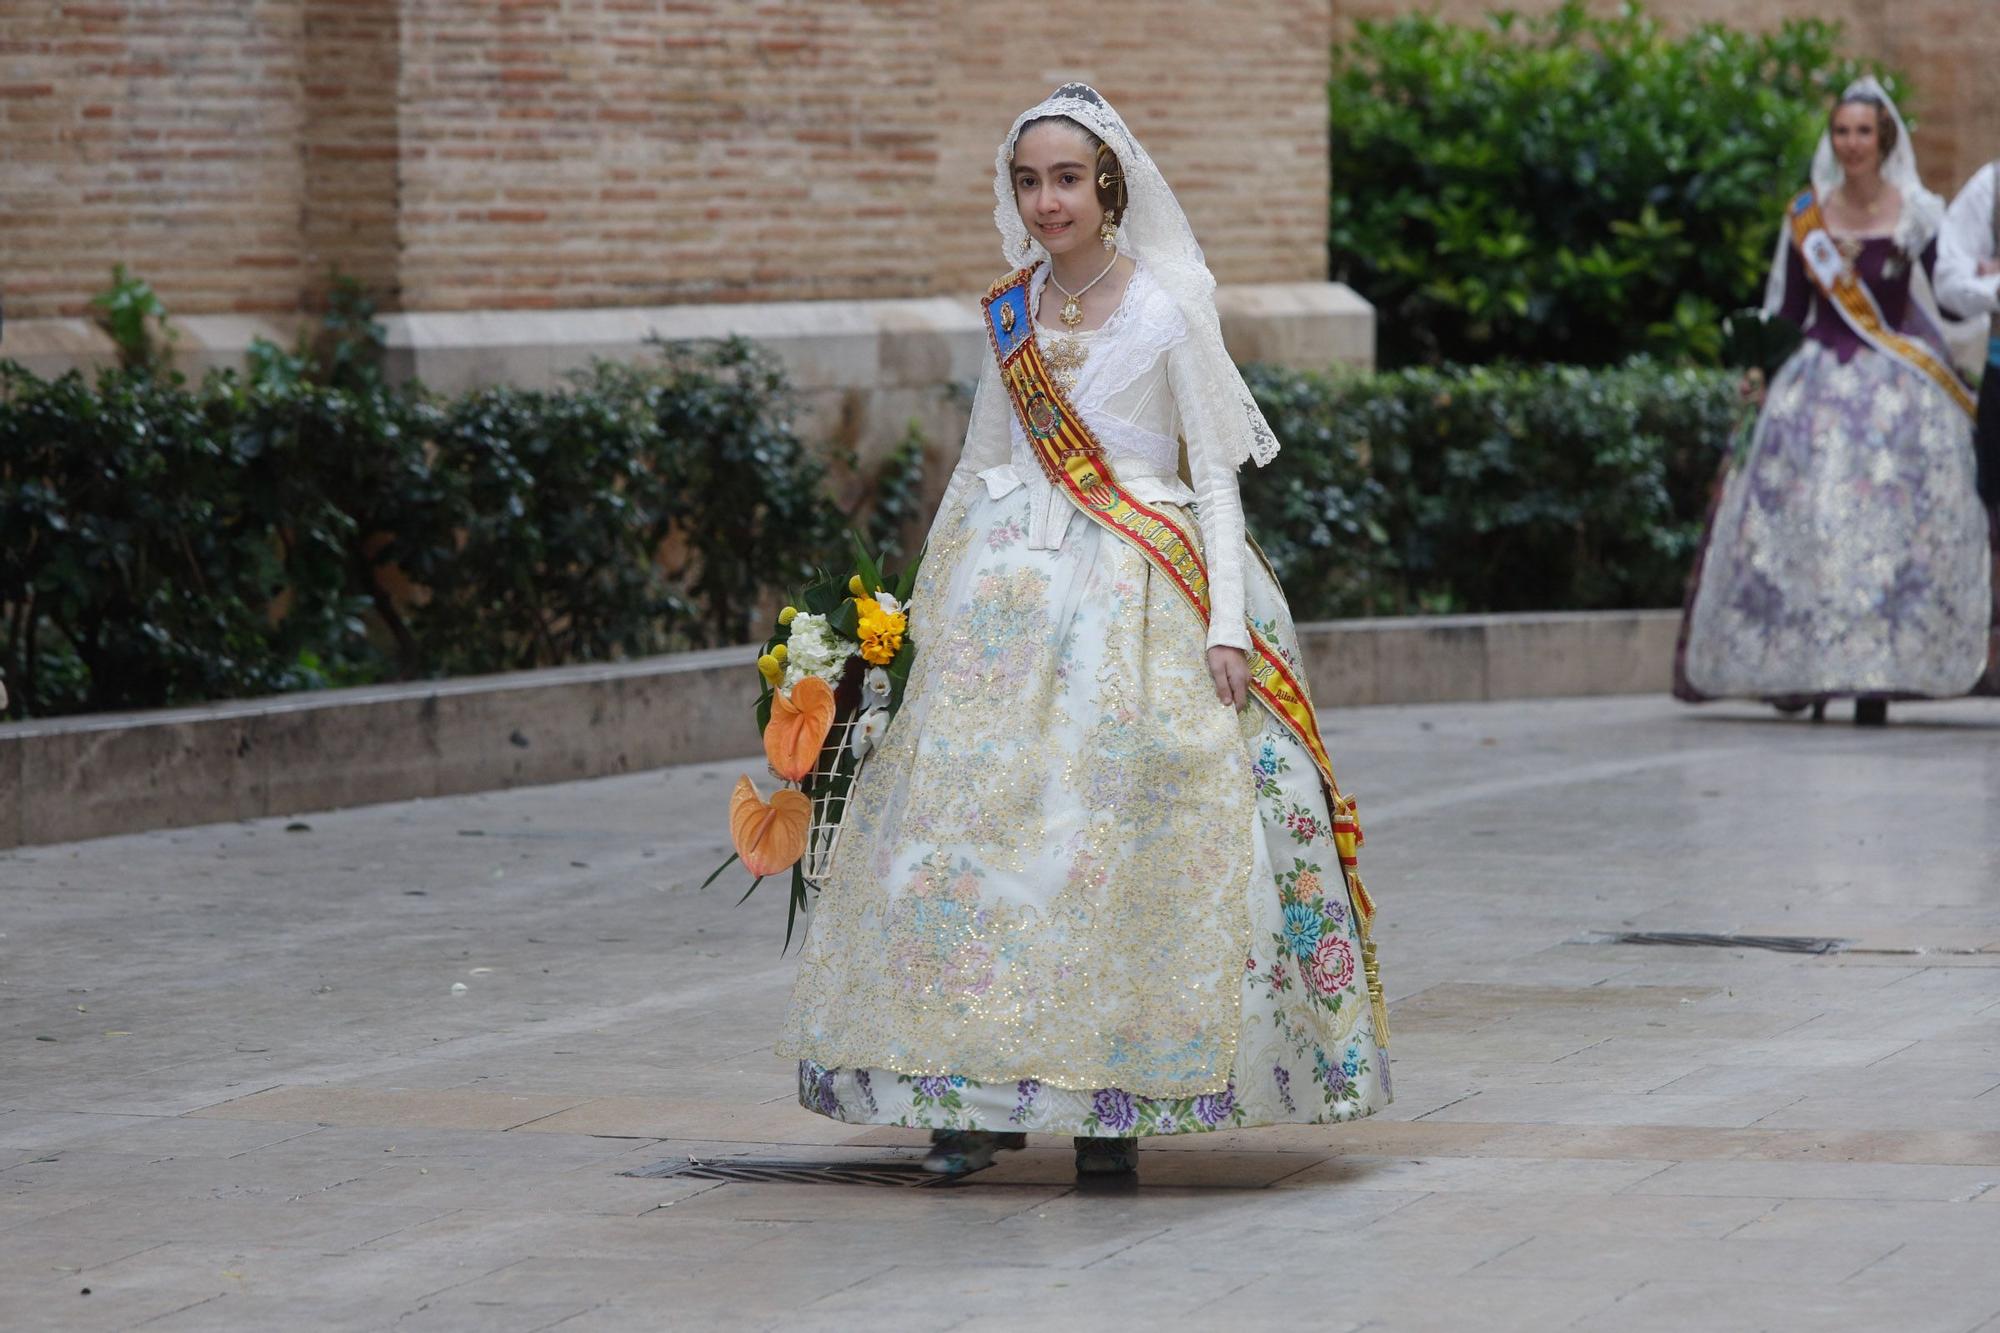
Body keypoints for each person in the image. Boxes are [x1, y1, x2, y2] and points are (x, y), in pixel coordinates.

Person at [776, 84, 1391, 1177]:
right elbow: (977, 463)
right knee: (966, 850)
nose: (1045, 199)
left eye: (1065, 178)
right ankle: (967, 1099)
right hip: (1000, 610)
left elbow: (1210, 479)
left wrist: (1227, 623)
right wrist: (913, 620)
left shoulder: (1165, 306)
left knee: (1109, 852)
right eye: (1027, 180)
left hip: (1135, 600)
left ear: (1108, 185)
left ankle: (1114, 1116)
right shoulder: (1010, 309)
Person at [1676, 78, 1995, 722]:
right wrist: (1763, 368)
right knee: (1810, 516)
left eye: (1863, 133)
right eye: (1841, 132)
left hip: (1897, 386)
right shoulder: (1807, 216)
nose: (1852, 144)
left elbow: (1949, 292)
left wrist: (1983, 280)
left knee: (1896, 521)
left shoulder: (1918, 212)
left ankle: (1883, 669)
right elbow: (1790, 309)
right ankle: (1813, 667)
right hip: (1815, 381)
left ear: (1884, 140)